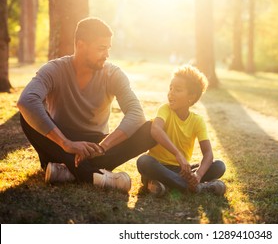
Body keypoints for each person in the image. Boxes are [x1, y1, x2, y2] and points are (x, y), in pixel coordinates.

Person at [17, 17, 156, 193]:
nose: (106, 54)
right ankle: (96, 176)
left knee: (150, 129)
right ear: (80, 45)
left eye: (108, 48)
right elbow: (26, 100)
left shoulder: (113, 74)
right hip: (60, 145)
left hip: (97, 147)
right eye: (101, 48)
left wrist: (103, 146)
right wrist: (66, 144)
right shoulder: (55, 69)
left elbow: (136, 113)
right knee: (26, 115)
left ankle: (67, 171)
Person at [136, 65, 226, 197]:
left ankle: (168, 185)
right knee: (143, 161)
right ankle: (199, 188)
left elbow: (208, 154)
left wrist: (198, 175)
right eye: (170, 88)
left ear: (191, 96)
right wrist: (178, 154)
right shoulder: (165, 110)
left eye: (177, 90)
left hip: (182, 170)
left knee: (219, 165)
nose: (170, 93)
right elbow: (155, 130)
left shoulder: (197, 121)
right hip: (158, 167)